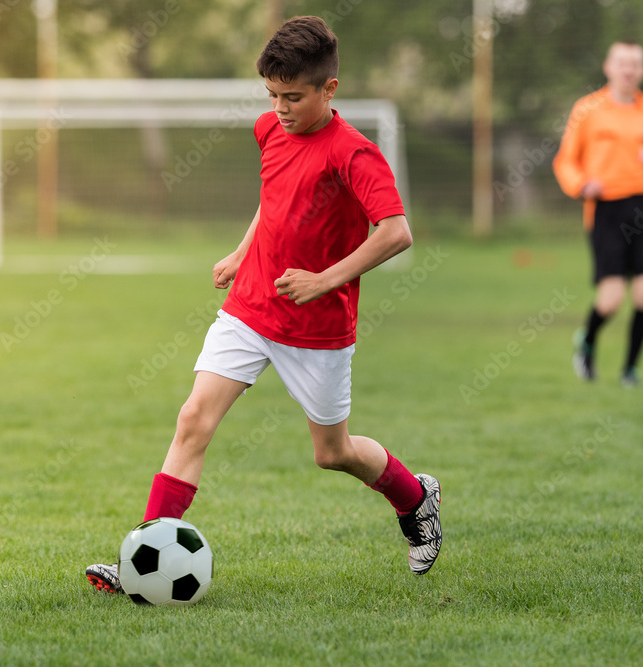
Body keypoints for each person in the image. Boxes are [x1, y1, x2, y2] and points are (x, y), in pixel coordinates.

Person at [86, 16, 442, 594]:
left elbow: (396, 232)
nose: (280, 108)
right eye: (272, 95)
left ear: (329, 89)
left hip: (318, 327)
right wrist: (242, 250)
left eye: (293, 97)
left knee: (333, 453)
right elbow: (274, 201)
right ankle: (143, 560)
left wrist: (325, 280)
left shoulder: (354, 153)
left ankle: (414, 497)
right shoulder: (269, 130)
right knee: (193, 419)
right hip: (252, 307)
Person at [553, 41, 643, 387]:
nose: (628, 70)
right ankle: (587, 342)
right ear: (608, 67)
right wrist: (582, 184)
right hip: (605, 210)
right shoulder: (587, 109)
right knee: (611, 300)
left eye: (635, 64)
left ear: (642, 71)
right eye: (622, 63)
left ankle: (630, 370)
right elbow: (565, 160)